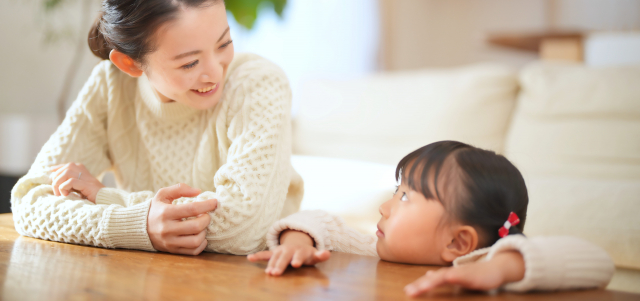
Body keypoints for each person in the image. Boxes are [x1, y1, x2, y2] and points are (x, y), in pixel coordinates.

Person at [11, 0, 303, 255]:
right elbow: (29, 202)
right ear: (130, 64)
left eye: (224, 43)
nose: (215, 72)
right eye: (190, 63)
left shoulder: (257, 84)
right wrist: (137, 225)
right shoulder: (111, 85)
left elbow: (242, 229)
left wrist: (106, 199)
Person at [248, 141, 614, 296]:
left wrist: (501, 268)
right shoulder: (374, 248)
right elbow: (323, 221)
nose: (385, 207)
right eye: (396, 190)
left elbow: (598, 263)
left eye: (405, 196)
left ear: (457, 243)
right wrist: (299, 240)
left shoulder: (482, 266)